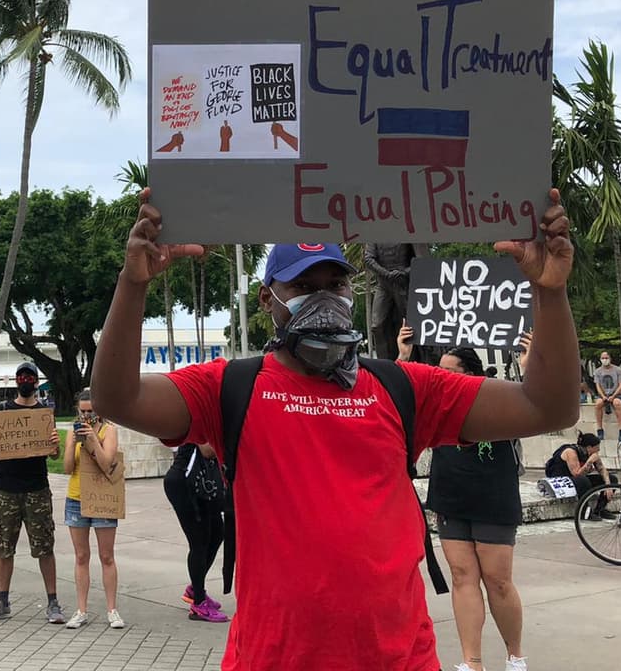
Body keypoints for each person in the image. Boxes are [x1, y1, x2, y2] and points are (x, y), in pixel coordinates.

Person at [91, 187, 579, 671]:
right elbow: (117, 400)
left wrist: (550, 291)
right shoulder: (228, 388)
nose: (324, 298)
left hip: (398, 661)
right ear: (267, 299)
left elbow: (547, 408)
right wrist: (133, 284)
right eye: (304, 286)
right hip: (272, 660)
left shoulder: (404, 387)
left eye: (336, 284)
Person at [425, 347, 526, 671]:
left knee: (498, 580)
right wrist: (402, 354)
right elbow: (395, 401)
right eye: (439, 370)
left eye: (449, 371)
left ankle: (515, 657)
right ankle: (472, 661)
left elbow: (533, 406)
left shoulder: (497, 402)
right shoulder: (434, 404)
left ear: (470, 375)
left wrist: (527, 370)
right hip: (450, 497)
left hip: (493, 498)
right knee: (462, 576)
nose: (441, 376)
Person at [0, 362, 65, 625]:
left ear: (36, 382)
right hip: (6, 491)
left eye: (29, 377)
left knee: (45, 547)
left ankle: (53, 602)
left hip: (37, 490)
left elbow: (54, 455)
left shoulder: (44, 414)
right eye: (21, 377)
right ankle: (2, 602)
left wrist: (55, 445)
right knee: (4, 548)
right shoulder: (3, 411)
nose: (25, 381)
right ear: (16, 381)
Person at [62, 388, 124, 630]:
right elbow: (67, 468)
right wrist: (73, 442)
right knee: (81, 556)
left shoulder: (109, 431)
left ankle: (112, 609)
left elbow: (107, 464)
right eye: (83, 411)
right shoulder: (73, 431)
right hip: (76, 498)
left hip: (101, 499)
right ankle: (81, 610)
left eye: (91, 412)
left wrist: (93, 441)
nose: (87, 416)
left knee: (106, 556)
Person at [163, 442, 229, 623]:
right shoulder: (197, 425)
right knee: (199, 541)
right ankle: (198, 604)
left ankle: (195, 588)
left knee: (218, 533)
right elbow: (207, 450)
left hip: (203, 482)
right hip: (185, 484)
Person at [544, 432, 614, 514]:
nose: (598, 450)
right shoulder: (570, 452)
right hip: (562, 481)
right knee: (583, 480)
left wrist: (608, 486)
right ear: (589, 447)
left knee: (612, 479)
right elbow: (577, 474)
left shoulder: (592, 454)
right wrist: (589, 461)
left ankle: (600, 509)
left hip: (576, 480)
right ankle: (583, 512)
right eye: (596, 447)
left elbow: (602, 469)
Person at [591, 353, 621, 441]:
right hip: (603, 394)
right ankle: (600, 430)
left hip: (617, 394)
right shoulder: (598, 371)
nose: (604, 360)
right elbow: (598, 386)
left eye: (606, 358)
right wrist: (603, 396)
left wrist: (613, 396)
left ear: (610, 358)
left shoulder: (618, 370)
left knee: (617, 403)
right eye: (602, 358)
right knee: (598, 404)